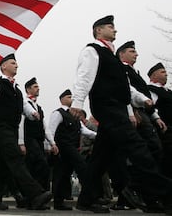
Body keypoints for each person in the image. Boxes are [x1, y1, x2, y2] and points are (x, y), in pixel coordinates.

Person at [69, 15, 172, 213]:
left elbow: (125, 86)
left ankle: (86, 199)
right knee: (137, 146)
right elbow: (84, 77)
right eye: (110, 27)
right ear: (98, 30)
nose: (115, 30)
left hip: (117, 107)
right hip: (106, 107)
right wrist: (78, 102)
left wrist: (141, 99)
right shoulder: (92, 50)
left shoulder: (113, 57)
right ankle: (163, 192)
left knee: (100, 157)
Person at [0, 53, 52, 211]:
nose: (16, 65)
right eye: (13, 62)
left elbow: (23, 105)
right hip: (0, 127)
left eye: (16, 63)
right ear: (4, 66)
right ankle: (35, 195)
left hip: (12, 129)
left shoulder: (16, 88)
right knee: (15, 158)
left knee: (3, 165)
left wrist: (32, 113)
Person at [115, 41, 165, 212]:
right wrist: (131, 111)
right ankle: (134, 188)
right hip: (135, 113)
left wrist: (155, 116)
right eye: (132, 51)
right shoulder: (121, 69)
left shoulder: (136, 73)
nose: (136, 54)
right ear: (122, 54)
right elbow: (126, 92)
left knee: (150, 154)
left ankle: (146, 195)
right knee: (149, 151)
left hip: (144, 112)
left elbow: (145, 97)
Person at [46, 89, 96, 210]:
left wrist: (98, 135)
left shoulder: (75, 115)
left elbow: (84, 131)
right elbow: (50, 130)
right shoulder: (58, 113)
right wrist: (50, 146)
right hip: (62, 148)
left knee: (64, 174)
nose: (71, 99)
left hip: (72, 148)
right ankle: (88, 199)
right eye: (69, 97)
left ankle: (60, 202)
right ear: (62, 99)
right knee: (79, 169)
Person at [22, 77, 52, 192]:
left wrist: (51, 143)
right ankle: (37, 192)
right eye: (35, 87)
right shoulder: (25, 103)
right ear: (28, 89)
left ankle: (36, 194)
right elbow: (21, 123)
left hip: (38, 140)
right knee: (40, 164)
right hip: (29, 139)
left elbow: (44, 127)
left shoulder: (38, 107)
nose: (38, 88)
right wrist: (21, 142)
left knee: (34, 166)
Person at [148, 62, 172, 179]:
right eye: (162, 72)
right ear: (153, 76)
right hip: (165, 131)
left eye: (166, 72)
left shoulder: (168, 91)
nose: (166, 75)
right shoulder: (152, 90)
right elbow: (151, 108)